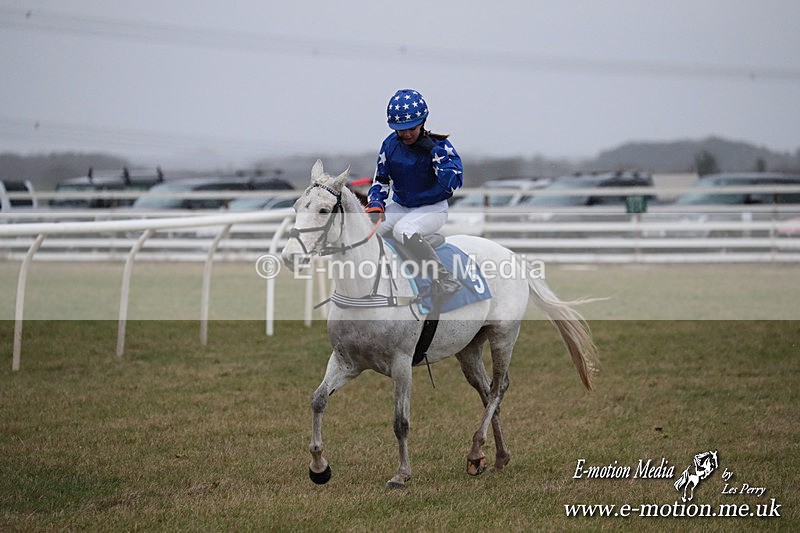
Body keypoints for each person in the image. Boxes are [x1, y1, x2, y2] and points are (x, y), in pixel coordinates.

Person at [365, 88, 463, 296]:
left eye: (412, 128)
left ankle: (444, 278)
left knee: (403, 230)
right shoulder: (389, 145)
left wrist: (435, 153)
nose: (407, 134)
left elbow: (453, 183)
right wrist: (376, 203)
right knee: (366, 231)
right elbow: (381, 180)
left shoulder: (440, 146)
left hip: (433, 208)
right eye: (401, 129)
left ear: (422, 122)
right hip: (402, 206)